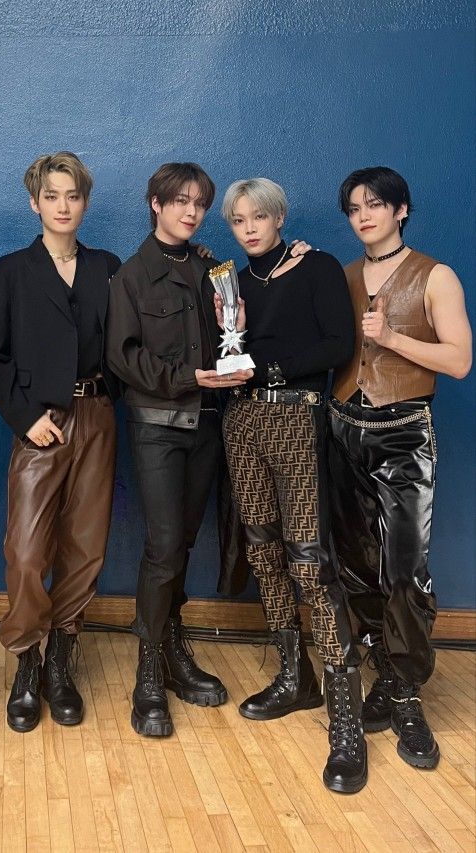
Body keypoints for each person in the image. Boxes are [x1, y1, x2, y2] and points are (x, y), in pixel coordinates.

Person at [220, 177, 368, 794]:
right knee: (262, 549)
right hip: (241, 420)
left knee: (309, 559)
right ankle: (294, 675)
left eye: (259, 217)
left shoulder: (317, 266)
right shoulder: (231, 283)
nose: (249, 228)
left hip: (295, 417)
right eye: (238, 220)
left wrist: (269, 368)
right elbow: (227, 351)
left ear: (279, 218)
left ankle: (345, 715)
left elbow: (339, 344)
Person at [329, 166, 472, 770]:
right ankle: (385, 672)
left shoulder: (435, 275)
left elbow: (459, 361)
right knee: (355, 565)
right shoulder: (341, 276)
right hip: (342, 428)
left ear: (401, 210)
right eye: (354, 208)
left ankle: (408, 692)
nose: (364, 216)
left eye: (375, 205)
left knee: (405, 569)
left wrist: (390, 337)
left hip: (404, 434)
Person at [105, 163, 251, 739]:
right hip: (158, 426)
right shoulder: (131, 275)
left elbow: (232, 344)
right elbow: (122, 356)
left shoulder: (214, 270)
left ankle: (172, 650)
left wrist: (231, 335)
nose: (191, 212)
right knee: (164, 543)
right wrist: (187, 378)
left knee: (185, 541)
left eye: (199, 204)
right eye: (180, 201)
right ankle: (148, 671)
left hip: (207, 426)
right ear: (155, 204)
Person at [0, 152, 121, 732]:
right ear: (34, 203)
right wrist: (24, 418)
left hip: (97, 414)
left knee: (85, 547)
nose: (63, 206)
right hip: (40, 420)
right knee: (25, 551)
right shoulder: (11, 272)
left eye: (73, 195)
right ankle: (27, 658)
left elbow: (128, 338)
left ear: (84, 203)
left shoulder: (107, 267)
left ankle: (61, 657)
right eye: (51, 196)